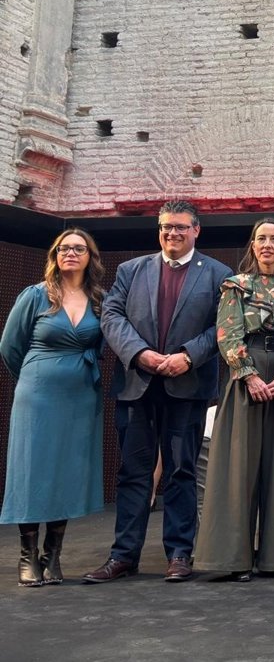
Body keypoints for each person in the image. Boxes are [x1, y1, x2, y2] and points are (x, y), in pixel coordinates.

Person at [85, 201, 232, 583]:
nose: (172, 233)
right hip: (137, 385)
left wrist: (188, 356)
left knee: (181, 472)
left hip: (188, 386)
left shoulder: (219, 274)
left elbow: (223, 326)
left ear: (196, 230)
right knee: (133, 473)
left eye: (181, 227)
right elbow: (111, 317)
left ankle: (180, 554)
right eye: (166, 227)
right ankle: (123, 555)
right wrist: (140, 354)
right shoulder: (130, 270)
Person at [193, 218, 274, 580]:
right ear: (253, 245)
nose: (268, 245)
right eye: (261, 239)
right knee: (237, 469)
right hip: (245, 381)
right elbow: (227, 334)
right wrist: (249, 375)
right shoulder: (235, 285)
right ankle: (231, 559)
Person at [1, 229, 106, 586]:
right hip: (37, 395)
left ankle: (52, 555)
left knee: (67, 470)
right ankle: (27, 557)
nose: (70, 253)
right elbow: (9, 346)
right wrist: (36, 376)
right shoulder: (35, 295)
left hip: (81, 397)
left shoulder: (99, 299)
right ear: (55, 255)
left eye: (78, 248)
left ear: (90, 257)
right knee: (31, 470)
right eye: (64, 248)